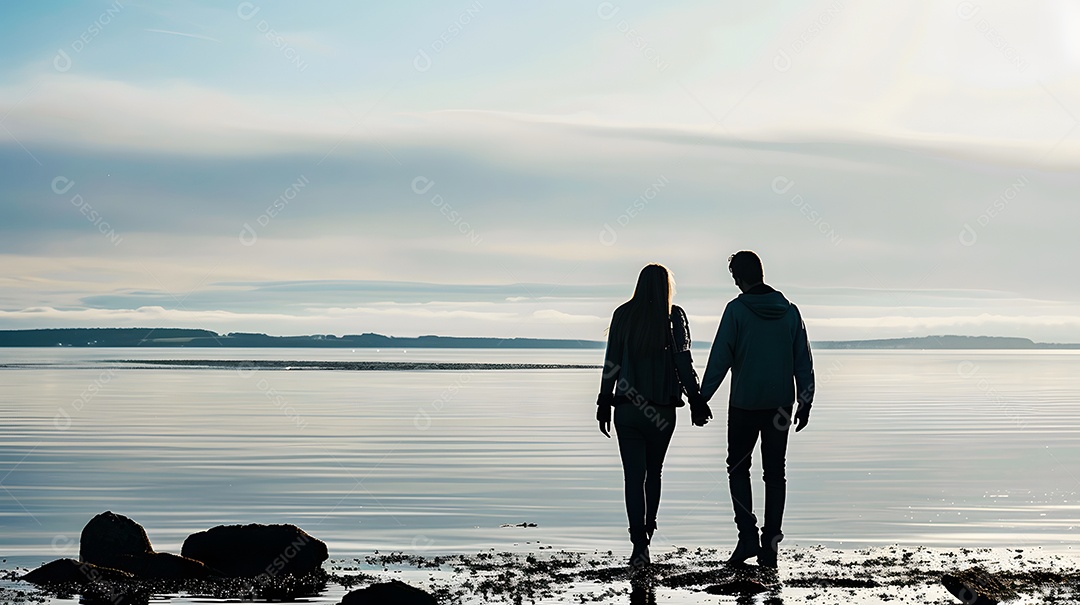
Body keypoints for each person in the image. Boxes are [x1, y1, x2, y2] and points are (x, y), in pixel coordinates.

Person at [700, 250, 815, 568]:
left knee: (738, 469)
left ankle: (748, 536)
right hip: (780, 404)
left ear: (739, 276)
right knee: (775, 473)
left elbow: (721, 356)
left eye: (734, 275)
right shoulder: (790, 311)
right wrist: (806, 400)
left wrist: (701, 397)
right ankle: (771, 543)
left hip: (744, 405)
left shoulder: (736, 310)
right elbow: (803, 360)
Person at [596, 263, 712, 569]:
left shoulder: (623, 315)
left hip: (626, 408)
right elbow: (683, 363)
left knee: (634, 477)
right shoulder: (674, 316)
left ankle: (639, 545)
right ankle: (648, 534)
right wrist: (696, 398)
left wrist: (603, 401)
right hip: (661, 410)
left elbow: (612, 362)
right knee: (654, 473)